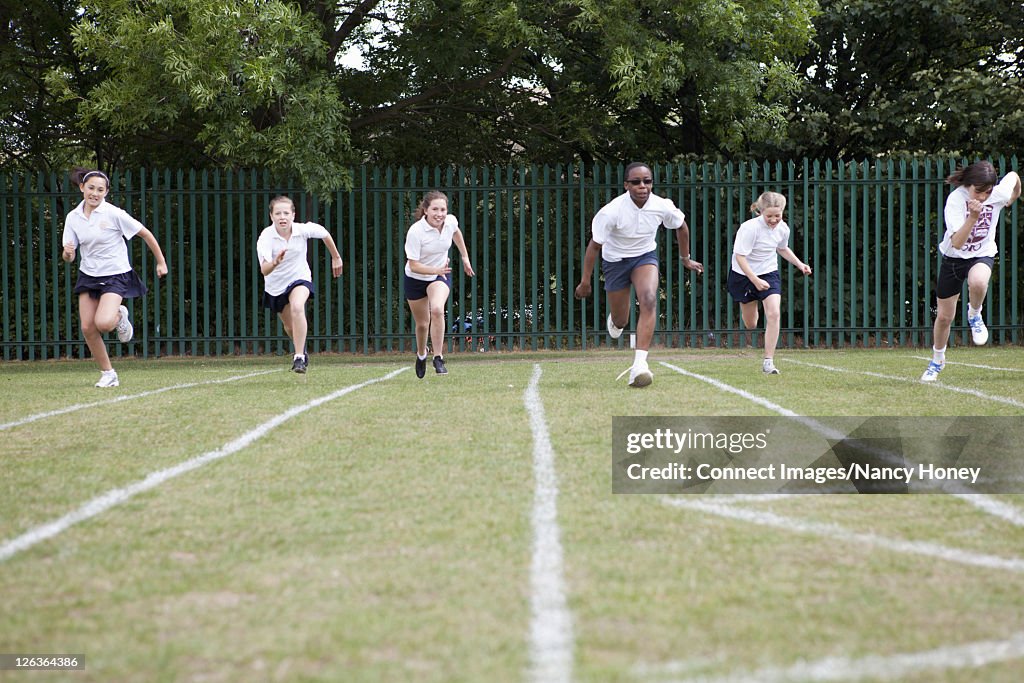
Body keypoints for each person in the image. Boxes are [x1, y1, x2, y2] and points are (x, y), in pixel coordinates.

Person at [574, 162, 704, 387]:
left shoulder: (661, 205)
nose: (642, 186)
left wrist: (685, 259)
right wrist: (585, 282)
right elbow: (594, 247)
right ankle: (616, 320)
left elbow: (681, 227)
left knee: (649, 299)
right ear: (626, 185)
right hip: (615, 261)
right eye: (636, 182)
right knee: (621, 319)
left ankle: (640, 366)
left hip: (644, 257)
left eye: (647, 181)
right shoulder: (611, 211)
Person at [61, 168, 168, 388]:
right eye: (91, 188)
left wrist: (161, 262)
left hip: (115, 274)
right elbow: (68, 256)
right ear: (82, 187)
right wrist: (68, 254)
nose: (95, 193)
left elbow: (145, 233)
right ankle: (108, 374)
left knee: (104, 323)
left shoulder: (114, 214)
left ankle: (119, 315)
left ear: (106, 192)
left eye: (100, 190)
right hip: (88, 275)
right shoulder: (73, 217)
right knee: (88, 328)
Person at [921, 161, 1021, 382]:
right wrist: (973, 218)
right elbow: (956, 242)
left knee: (978, 283)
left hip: (981, 253)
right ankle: (937, 360)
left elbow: (1013, 176)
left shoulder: (996, 193)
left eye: (988, 192)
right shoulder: (956, 200)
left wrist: (1011, 200)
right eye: (979, 192)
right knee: (945, 317)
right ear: (969, 185)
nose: (984, 197)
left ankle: (974, 314)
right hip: (954, 259)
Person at [728, 191, 812, 375]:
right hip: (743, 275)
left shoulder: (783, 228)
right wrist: (754, 280)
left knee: (773, 313)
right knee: (751, 324)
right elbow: (740, 257)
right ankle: (752, 304)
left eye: (778, 215)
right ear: (760, 211)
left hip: (768, 273)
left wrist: (800, 264)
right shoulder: (749, 228)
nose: (774, 220)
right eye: (769, 216)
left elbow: (782, 248)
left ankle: (768, 362)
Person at [257, 195, 343, 373]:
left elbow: (325, 234)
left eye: (286, 213)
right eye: (278, 213)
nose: (282, 217)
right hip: (275, 286)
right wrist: (275, 262)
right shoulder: (266, 237)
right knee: (289, 326)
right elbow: (264, 270)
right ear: (271, 216)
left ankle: (299, 358)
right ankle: (301, 348)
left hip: (299, 277)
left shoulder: (302, 230)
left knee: (297, 307)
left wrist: (336, 257)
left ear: (293, 215)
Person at [404, 190, 475, 377]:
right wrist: (435, 270)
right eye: (435, 209)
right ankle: (421, 355)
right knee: (422, 324)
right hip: (416, 277)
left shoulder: (450, 222)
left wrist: (465, 257)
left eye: (443, 209)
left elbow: (457, 234)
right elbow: (414, 265)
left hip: (439, 276)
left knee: (437, 309)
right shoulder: (416, 232)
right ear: (425, 210)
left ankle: (438, 358)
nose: (439, 214)